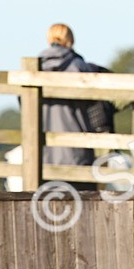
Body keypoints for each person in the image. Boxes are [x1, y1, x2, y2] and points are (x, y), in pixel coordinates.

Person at [38, 24, 96, 168]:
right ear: (71, 40)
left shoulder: (37, 67)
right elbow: (95, 104)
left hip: (42, 153)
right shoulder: (79, 67)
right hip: (77, 152)